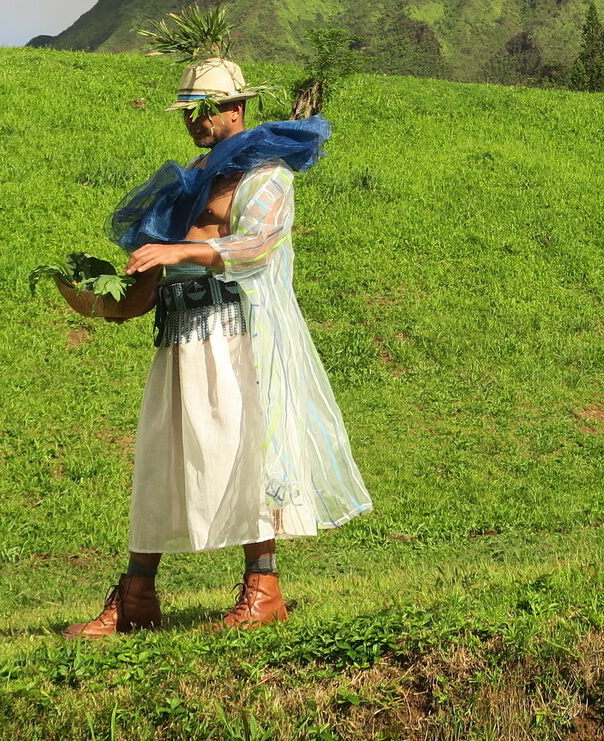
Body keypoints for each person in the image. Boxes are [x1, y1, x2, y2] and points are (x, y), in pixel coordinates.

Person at [53, 52, 371, 636]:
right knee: (158, 459)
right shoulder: (187, 185)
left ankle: (264, 589)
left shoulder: (265, 173)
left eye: (210, 107)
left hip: (237, 337)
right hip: (177, 339)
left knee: (243, 452)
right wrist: (91, 294)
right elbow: (139, 295)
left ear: (238, 107)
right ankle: (136, 596)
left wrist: (179, 252)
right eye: (189, 110)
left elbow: (259, 246)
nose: (198, 119)